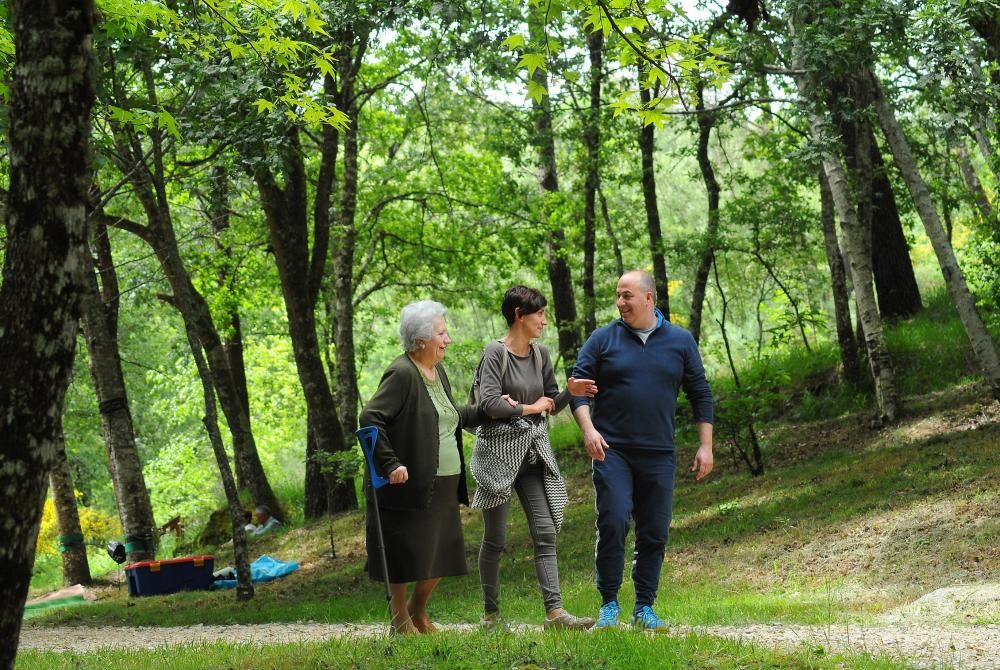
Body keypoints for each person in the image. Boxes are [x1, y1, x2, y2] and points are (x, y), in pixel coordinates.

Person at [570, 270, 714, 632]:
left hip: (660, 453)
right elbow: (576, 388)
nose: (620, 302)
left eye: (627, 296)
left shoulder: (680, 341)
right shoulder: (603, 339)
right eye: (618, 295)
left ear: (649, 299)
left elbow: (701, 394)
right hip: (612, 451)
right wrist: (588, 430)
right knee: (614, 520)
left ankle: (644, 608)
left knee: (654, 532)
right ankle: (608, 604)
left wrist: (705, 446)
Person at [472, 285, 598, 630]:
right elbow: (489, 404)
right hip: (497, 457)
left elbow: (550, 405)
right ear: (519, 315)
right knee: (495, 539)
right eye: (539, 313)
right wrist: (530, 407)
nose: (544, 320)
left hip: (531, 455)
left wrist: (567, 394)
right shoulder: (495, 354)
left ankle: (555, 614)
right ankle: (491, 615)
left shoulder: (540, 354)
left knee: (545, 532)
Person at [359, 300, 483, 635]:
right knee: (404, 552)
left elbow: (451, 414)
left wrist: (497, 410)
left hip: (442, 481)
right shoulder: (402, 373)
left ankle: (418, 611)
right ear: (421, 340)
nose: (448, 339)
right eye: (442, 333)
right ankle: (400, 619)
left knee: (440, 552)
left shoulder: (436, 371)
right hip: (407, 483)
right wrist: (389, 463)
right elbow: (371, 418)